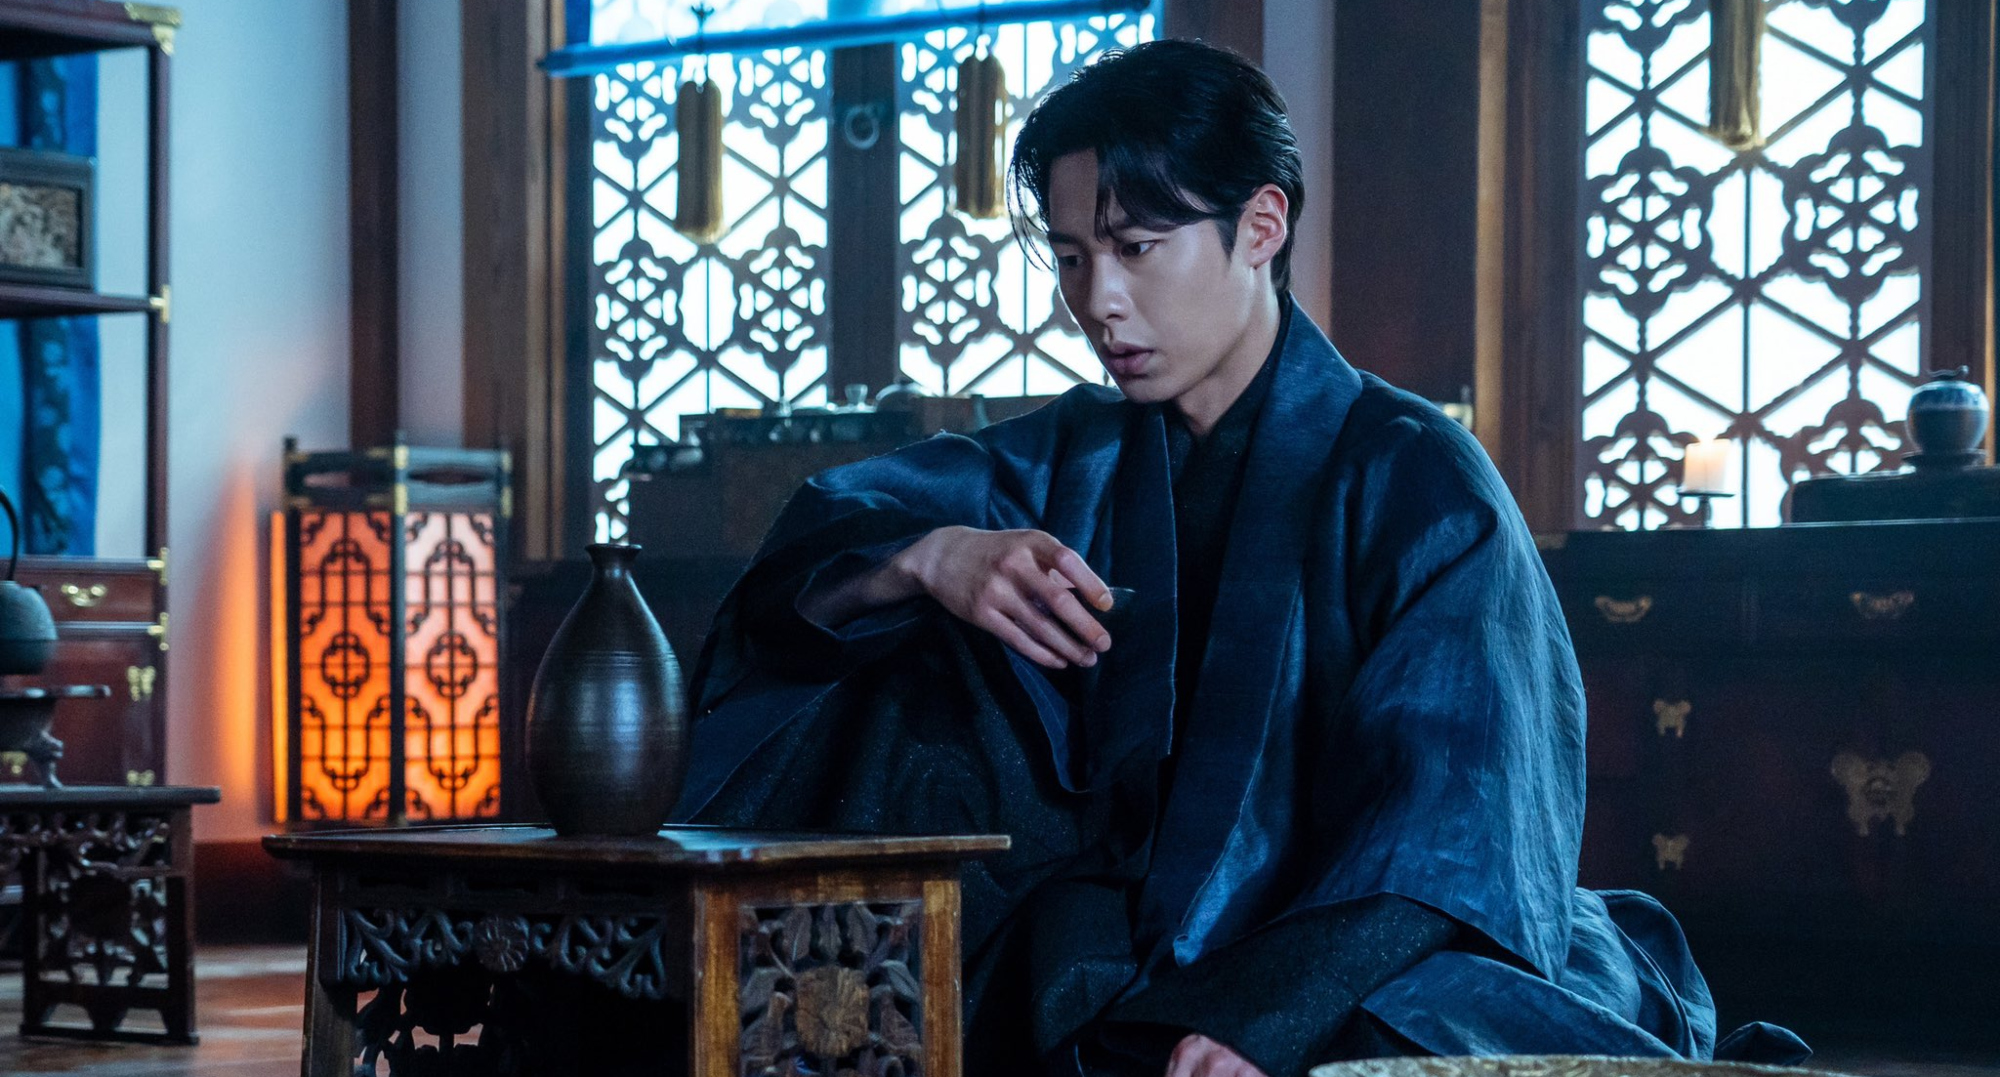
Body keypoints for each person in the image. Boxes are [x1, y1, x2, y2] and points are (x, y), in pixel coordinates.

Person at [672, 38, 1806, 1077]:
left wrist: (1268, 1015)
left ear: (1260, 227)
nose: (1098, 303)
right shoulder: (1072, 457)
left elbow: (1457, 828)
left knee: (1404, 1031)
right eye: (1070, 257)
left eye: (1135, 249)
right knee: (908, 677)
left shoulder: (1416, 478)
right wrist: (929, 559)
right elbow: (819, 551)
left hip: (1355, 942)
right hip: (1114, 939)